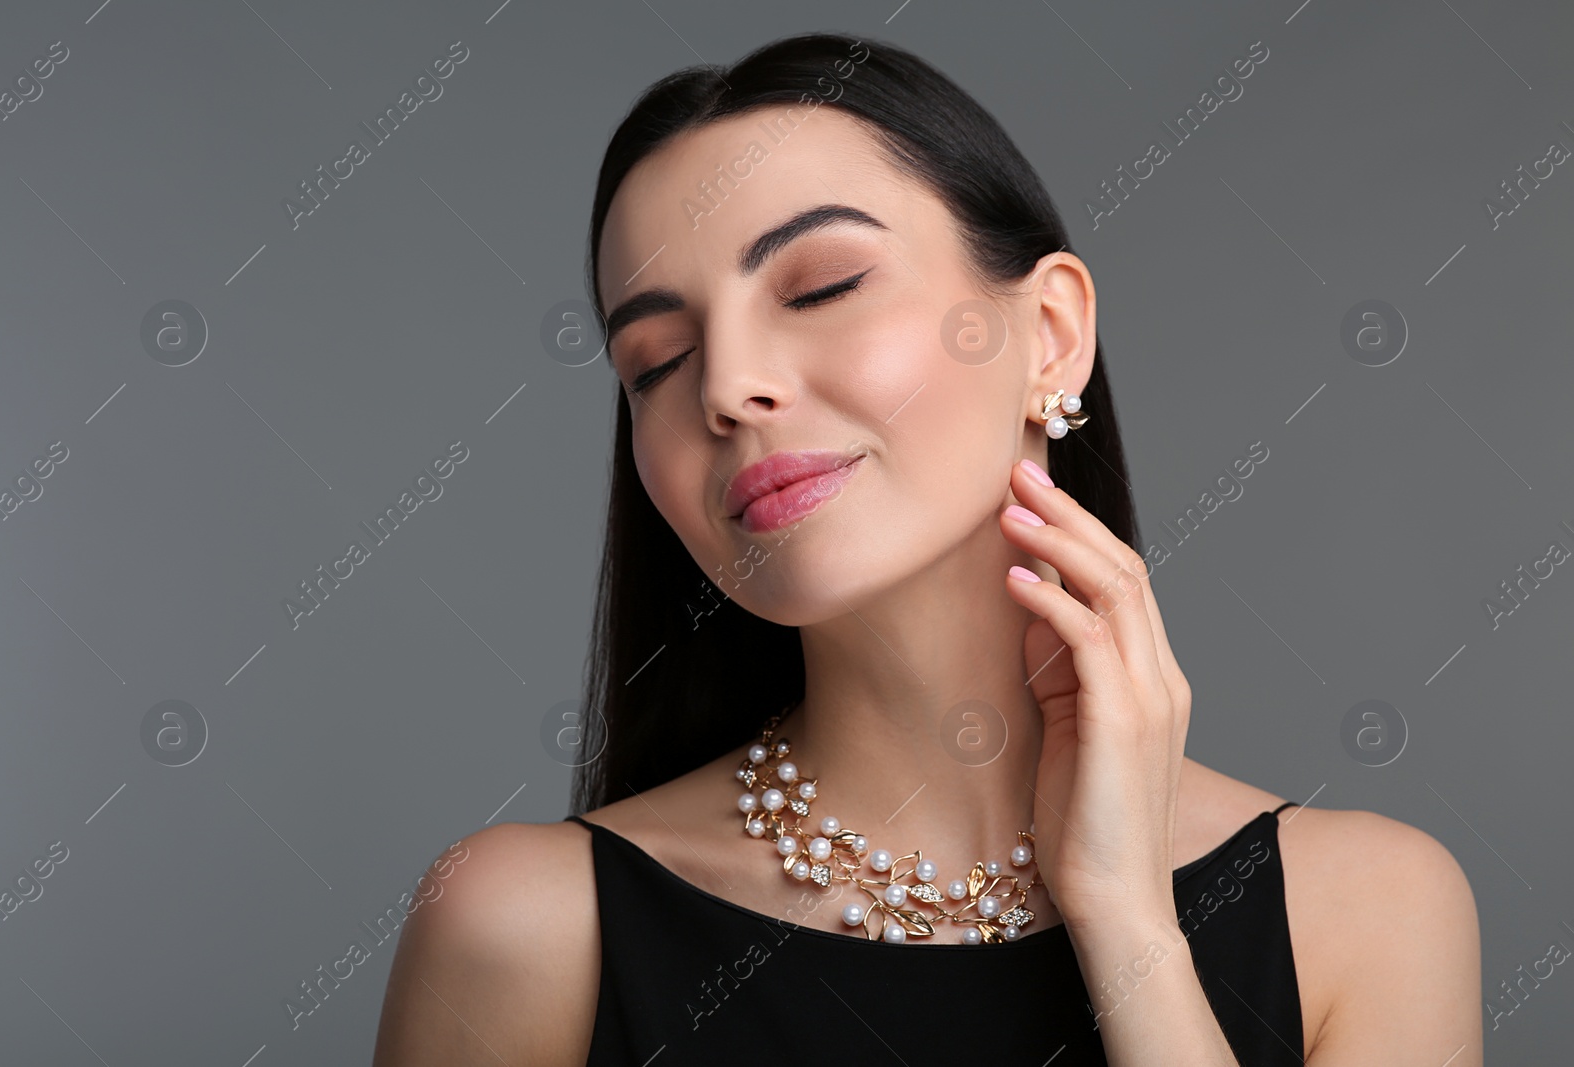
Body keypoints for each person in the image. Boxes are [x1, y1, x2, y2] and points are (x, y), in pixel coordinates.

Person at [372, 33, 1481, 1065]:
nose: (724, 386)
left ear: (1048, 333)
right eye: (655, 361)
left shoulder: (1367, 906)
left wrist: (1126, 915)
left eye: (821, 286)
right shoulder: (522, 924)